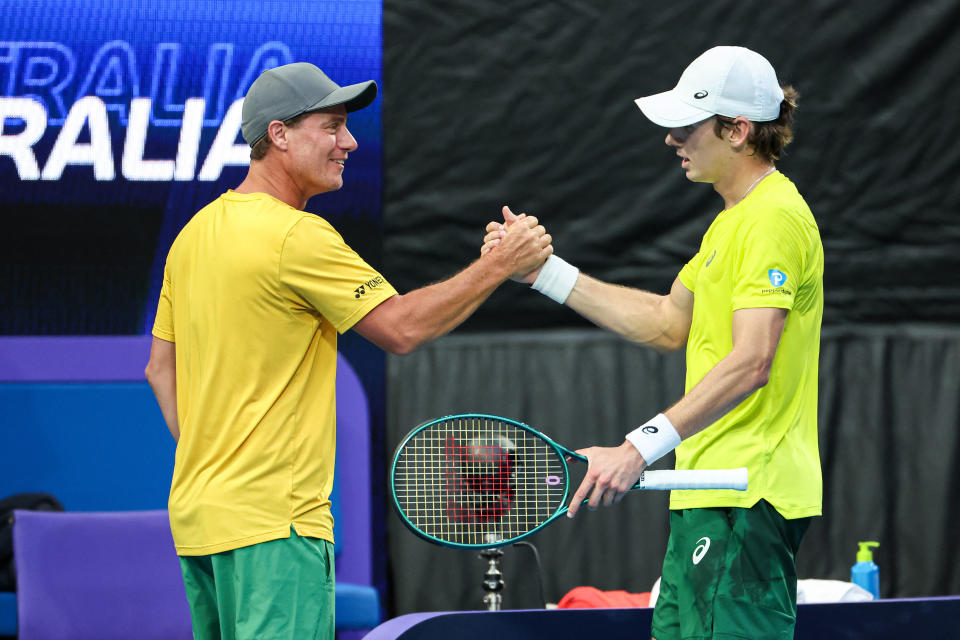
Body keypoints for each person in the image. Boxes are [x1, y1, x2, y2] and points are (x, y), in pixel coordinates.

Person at [144, 62, 550, 640]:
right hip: (274, 525)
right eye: (332, 126)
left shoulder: (194, 234)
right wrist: (498, 265)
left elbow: (160, 369)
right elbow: (401, 329)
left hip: (200, 517)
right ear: (279, 135)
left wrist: (220, 454)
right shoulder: (296, 235)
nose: (350, 142)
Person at [484, 46, 822, 639]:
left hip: (745, 495)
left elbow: (752, 361)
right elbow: (669, 322)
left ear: (738, 130)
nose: (672, 140)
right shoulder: (732, 222)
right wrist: (543, 273)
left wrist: (637, 448)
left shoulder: (773, 219)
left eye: (686, 127)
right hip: (707, 492)